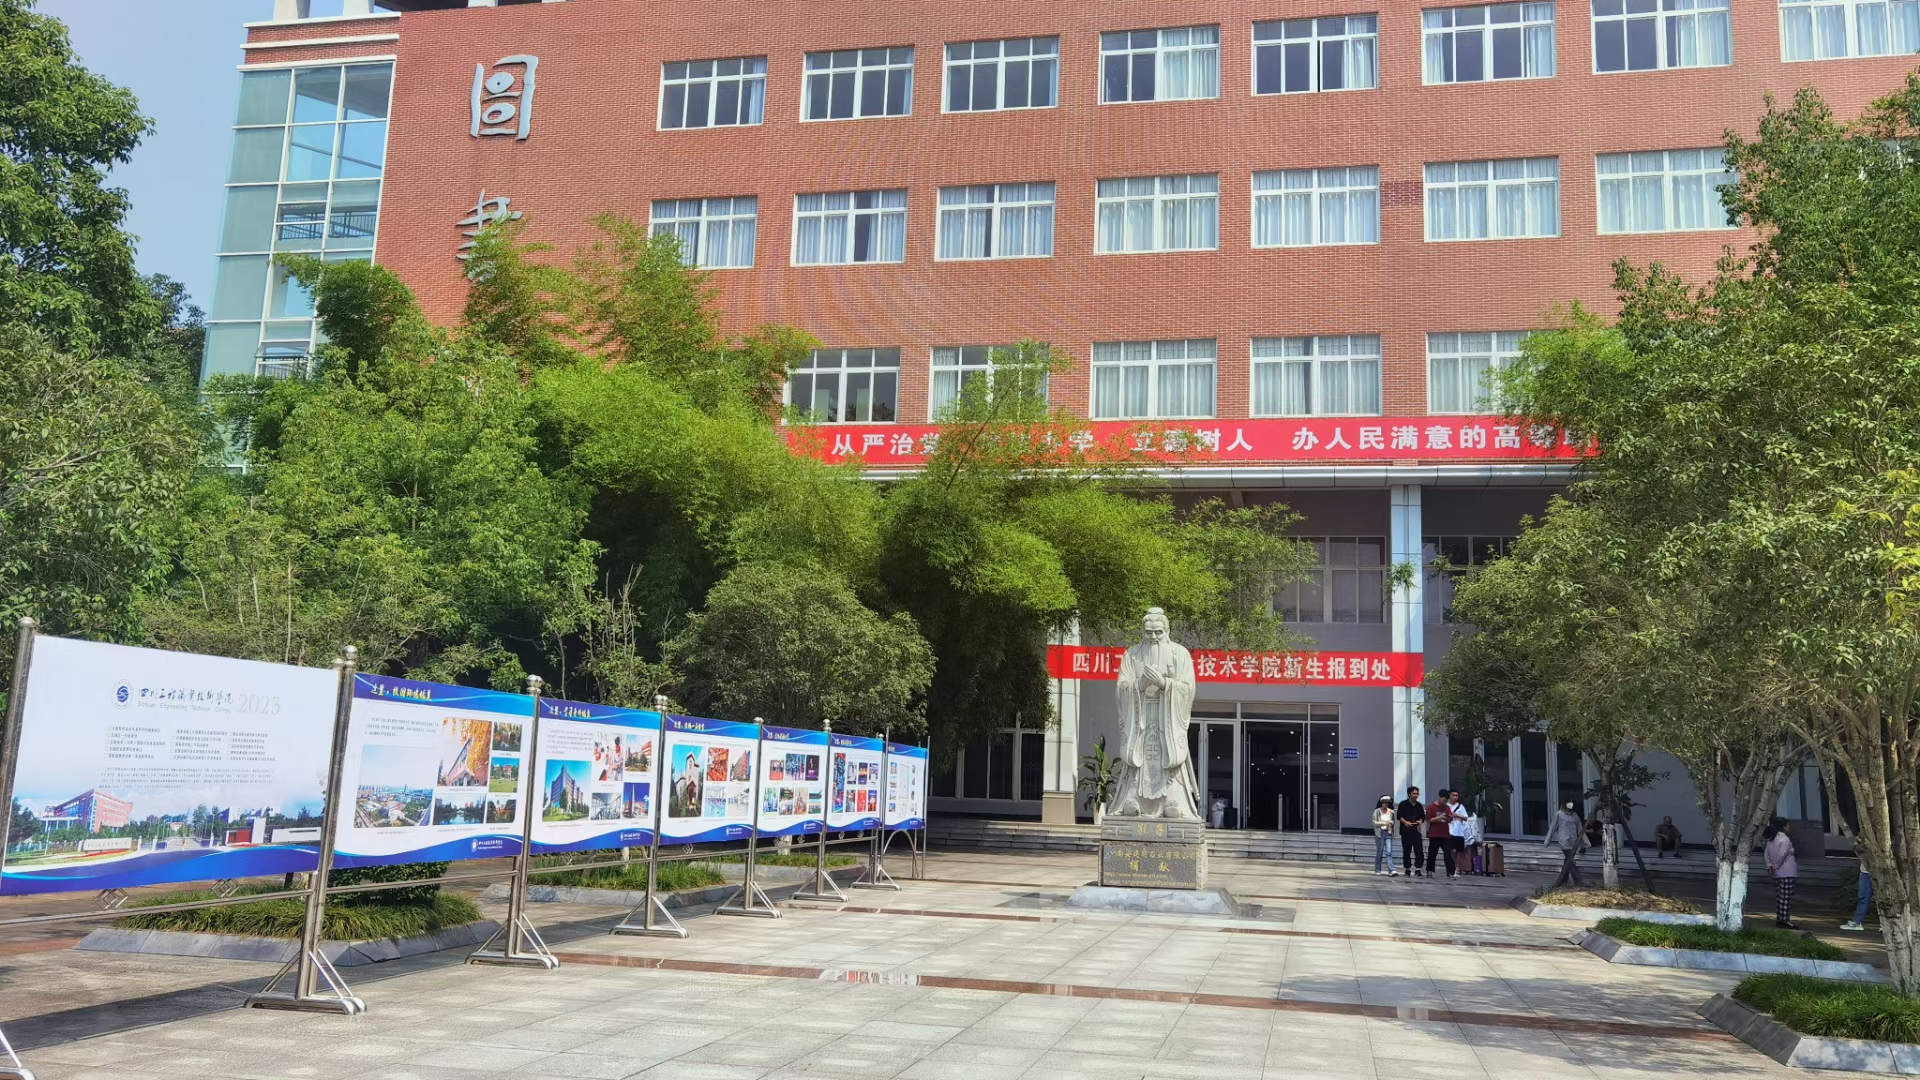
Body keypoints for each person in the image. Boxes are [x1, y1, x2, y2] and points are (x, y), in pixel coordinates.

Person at [1544, 801, 1588, 888]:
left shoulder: (1574, 815)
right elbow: (1553, 827)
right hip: (1564, 841)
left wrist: (1583, 843)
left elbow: (1580, 828)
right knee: (1570, 861)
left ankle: (1562, 881)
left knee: (1567, 862)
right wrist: (1547, 841)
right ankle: (1578, 881)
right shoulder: (1559, 814)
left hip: (1573, 841)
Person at [1765, 817, 1799, 929]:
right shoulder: (1785, 839)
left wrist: (1770, 865)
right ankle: (1784, 921)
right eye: (1787, 825)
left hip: (1777, 873)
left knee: (1780, 897)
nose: (1789, 827)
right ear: (1784, 826)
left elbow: (1766, 854)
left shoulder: (1771, 839)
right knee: (1786, 898)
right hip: (1787, 872)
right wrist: (1775, 866)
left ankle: (1780, 919)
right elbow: (1782, 855)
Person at [1396, 787, 1426, 877]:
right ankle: (1407, 869)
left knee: (1419, 851)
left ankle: (1418, 869)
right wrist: (1405, 822)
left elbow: (1422, 817)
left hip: (1416, 831)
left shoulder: (1419, 805)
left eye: (1417, 794)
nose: (1416, 795)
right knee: (1407, 851)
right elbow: (1399, 816)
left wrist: (1420, 821)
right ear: (1409, 794)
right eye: (1414, 793)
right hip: (1406, 831)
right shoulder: (1403, 804)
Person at [1424, 789, 1453, 878]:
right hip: (1434, 834)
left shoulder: (1447, 807)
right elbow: (1429, 820)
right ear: (1439, 797)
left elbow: (1450, 818)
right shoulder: (1431, 807)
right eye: (1443, 800)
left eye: (1446, 801)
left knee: (1448, 853)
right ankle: (1429, 871)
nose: (1444, 802)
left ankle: (1450, 872)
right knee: (1432, 853)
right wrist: (1439, 818)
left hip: (1445, 834)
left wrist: (1448, 818)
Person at [1444, 790, 1471, 878]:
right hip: (1448, 831)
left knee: (1457, 852)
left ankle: (1455, 869)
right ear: (1449, 795)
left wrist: (1457, 815)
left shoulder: (1460, 806)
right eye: (1453, 795)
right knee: (1450, 851)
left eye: (1457, 795)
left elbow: (1466, 818)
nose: (1455, 797)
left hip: (1459, 832)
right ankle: (1450, 870)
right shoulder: (1446, 806)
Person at [1371, 796, 1398, 876]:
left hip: (1388, 833)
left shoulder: (1391, 812)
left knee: (1389, 852)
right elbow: (1374, 822)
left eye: (1387, 803)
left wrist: (1391, 823)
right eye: (1385, 802)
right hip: (1380, 833)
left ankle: (1391, 870)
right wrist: (1384, 823)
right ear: (1381, 803)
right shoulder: (1377, 811)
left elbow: (1393, 822)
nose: (1386, 804)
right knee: (1380, 851)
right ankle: (1377, 869)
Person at [1843, 866, 1872, 931]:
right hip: (1865, 872)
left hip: (1883, 872)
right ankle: (1857, 922)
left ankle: (1888, 925)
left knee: (1886, 898)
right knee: (1863, 897)